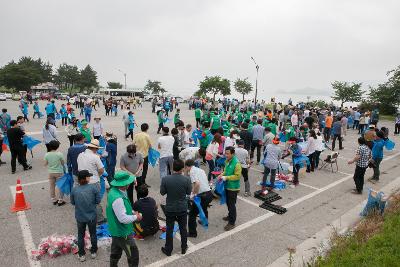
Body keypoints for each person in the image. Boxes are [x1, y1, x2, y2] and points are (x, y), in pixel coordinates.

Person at [106, 171, 142, 267]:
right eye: (128, 182)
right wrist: (136, 217)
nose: (130, 183)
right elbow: (122, 218)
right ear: (124, 184)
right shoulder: (118, 198)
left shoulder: (114, 191)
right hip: (123, 231)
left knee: (116, 250)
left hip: (115, 229)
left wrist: (132, 212)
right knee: (133, 254)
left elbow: (121, 209)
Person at [160, 159, 191, 256]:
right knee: (183, 228)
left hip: (170, 208)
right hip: (182, 207)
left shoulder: (165, 179)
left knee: (169, 228)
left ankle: (168, 249)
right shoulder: (187, 179)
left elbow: (162, 192)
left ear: (173, 167)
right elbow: (188, 192)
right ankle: (183, 247)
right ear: (182, 169)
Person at [70, 170, 101, 262]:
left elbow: (72, 202)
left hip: (80, 217)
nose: (89, 177)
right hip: (91, 216)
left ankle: (82, 254)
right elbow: (98, 201)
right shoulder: (93, 188)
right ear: (86, 178)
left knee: (80, 235)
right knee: (93, 234)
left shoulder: (74, 189)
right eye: (88, 176)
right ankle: (93, 252)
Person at [77, 139, 106, 223]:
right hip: (94, 181)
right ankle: (100, 219)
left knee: (86, 201)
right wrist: (98, 174)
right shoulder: (95, 157)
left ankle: (87, 217)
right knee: (96, 201)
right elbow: (101, 170)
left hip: (82, 181)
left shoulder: (80, 155)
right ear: (95, 149)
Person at [185, 159, 213, 237]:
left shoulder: (192, 172)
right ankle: (205, 221)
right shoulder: (201, 170)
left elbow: (197, 184)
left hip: (202, 196)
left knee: (192, 214)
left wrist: (193, 194)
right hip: (209, 194)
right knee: (204, 207)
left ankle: (192, 233)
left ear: (187, 166)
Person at [217, 146, 241, 231]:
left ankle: (232, 222)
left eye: (228, 153)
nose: (226, 155)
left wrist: (226, 177)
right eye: (225, 153)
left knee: (231, 205)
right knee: (228, 203)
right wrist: (222, 174)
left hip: (233, 188)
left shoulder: (237, 163)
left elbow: (237, 176)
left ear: (233, 154)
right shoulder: (227, 161)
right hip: (226, 186)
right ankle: (230, 215)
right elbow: (226, 170)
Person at [44, 140, 65, 206]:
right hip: (59, 172)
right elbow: (63, 163)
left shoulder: (47, 154)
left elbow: (45, 164)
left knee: (52, 186)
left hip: (51, 172)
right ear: (57, 146)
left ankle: (53, 199)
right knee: (61, 186)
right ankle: (60, 200)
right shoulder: (59, 154)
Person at [133, 123, 152, 187]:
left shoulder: (136, 135)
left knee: (138, 169)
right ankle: (143, 182)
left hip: (137, 155)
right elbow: (150, 146)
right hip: (144, 155)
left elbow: (133, 144)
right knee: (145, 169)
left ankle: (137, 181)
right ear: (147, 128)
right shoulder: (147, 136)